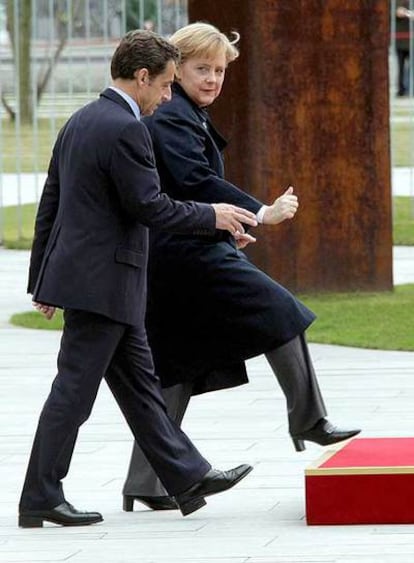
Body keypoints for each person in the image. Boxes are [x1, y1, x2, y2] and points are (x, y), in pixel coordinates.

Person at [17, 29, 259, 528]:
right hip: (103, 284)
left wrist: (42, 276)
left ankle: (188, 477)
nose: (169, 97)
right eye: (166, 86)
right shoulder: (127, 129)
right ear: (142, 77)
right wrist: (212, 216)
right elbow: (150, 205)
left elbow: (51, 205)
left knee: (142, 389)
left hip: (103, 283)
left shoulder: (82, 119)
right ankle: (40, 495)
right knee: (74, 393)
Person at [121, 22, 361, 513]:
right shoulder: (172, 118)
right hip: (185, 255)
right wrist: (260, 212)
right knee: (282, 312)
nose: (212, 79)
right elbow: (195, 179)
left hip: (179, 252)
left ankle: (145, 482)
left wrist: (228, 225)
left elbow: (186, 186)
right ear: (175, 69)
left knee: (176, 369)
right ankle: (309, 419)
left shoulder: (185, 113)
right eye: (201, 69)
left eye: (220, 71)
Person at [395, 1, 414, 96]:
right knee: (401, 68)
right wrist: (408, 13)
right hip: (401, 43)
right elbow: (398, 12)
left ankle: (410, 88)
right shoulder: (397, 2)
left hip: (411, 42)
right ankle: (401, 89)